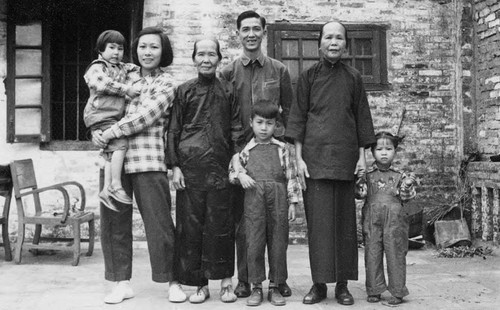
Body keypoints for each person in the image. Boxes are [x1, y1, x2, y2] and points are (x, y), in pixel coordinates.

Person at [285, 21, 376, 306]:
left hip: (346, 160)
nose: (334, 42)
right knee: (319, 226)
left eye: (339, 38)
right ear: (320, 43)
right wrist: (298, 158)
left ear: (345, 45)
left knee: (345, 227)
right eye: (328, 37)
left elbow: (362, 117)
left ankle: (343, 285)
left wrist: (361, 156)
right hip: (314, 161)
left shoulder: (354, 78)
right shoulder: (308, 77)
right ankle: (319, 284)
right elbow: (298, 117)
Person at [91, 27, 176, 304]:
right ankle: (120, 282)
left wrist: (110, 131)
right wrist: (95, 130)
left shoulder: (167, 84)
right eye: (142, 47)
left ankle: (172, 280)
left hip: (148, 159)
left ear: (163, 52)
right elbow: (100, 100)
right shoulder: (123, 74)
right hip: (113, 160)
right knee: (113, 223)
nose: (147, 52)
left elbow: (145, 116)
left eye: (153, 47)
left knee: (159, 224)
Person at [220, 10, 294, 298]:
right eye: (245, 29)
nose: (251, 34)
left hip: (271, 155)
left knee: (277, 226)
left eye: (256, 29)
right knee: (243, 225)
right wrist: (234, 154)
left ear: (264, 32)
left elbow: (288, 113)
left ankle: (279, 279)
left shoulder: (279, 70)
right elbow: (222, 113)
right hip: (241, 153)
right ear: (238, 33)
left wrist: (279, 145)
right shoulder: (228, 72)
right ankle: (245, 279)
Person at [166, 38, 243, 304]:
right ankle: (198, 284)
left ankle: (224, 282)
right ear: (194, 58)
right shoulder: (184, 91)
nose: (206, 59)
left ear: (219, 58)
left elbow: (236, 128)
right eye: (201, 54)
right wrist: (174, 166)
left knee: (221, 226)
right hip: (190, 169)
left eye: (212, 54)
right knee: (191, 228)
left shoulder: (229, 90)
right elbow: (174, 129)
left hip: (220, 169)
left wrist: (236, 159)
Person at [229, 103, 299, 307]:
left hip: (278, 200)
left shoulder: (283, 149)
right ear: (251, 123)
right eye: (259, 123)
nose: (264, 128)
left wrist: (293, 202)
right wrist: (240, 175)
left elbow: (291, 176)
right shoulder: (245, 150)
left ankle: (275, 286)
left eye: (269, 124)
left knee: (278, 243)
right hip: (253, 201)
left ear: (276, 125)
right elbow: (232, 172)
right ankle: (256, 286)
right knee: (254, 242)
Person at [83, 30, 142, 211]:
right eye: (111, 48)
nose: (116, 53)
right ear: (101, 50)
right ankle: (116, 184)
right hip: (101, 113)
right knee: (121, 143)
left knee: (110, 151)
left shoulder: (122, 67)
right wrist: (126, 90)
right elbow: (100, 83)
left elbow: (136, 69)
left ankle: (106, 189)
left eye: (120, 48)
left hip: (111, 115)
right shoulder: (97, 67)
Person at [356, 132, 416, 306]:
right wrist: (359, 182)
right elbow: (360, 195)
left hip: (395, 220)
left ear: (394, 151)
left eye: (388, 149)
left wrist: (407, 186)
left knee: (395, 252)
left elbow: (406, 197)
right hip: (372, 218)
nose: (384, 153)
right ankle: (374, 290)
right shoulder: (367, 174)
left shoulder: (401, 175)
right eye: (379, 149)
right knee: (372, 252)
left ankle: (397, 291)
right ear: (372, 152)